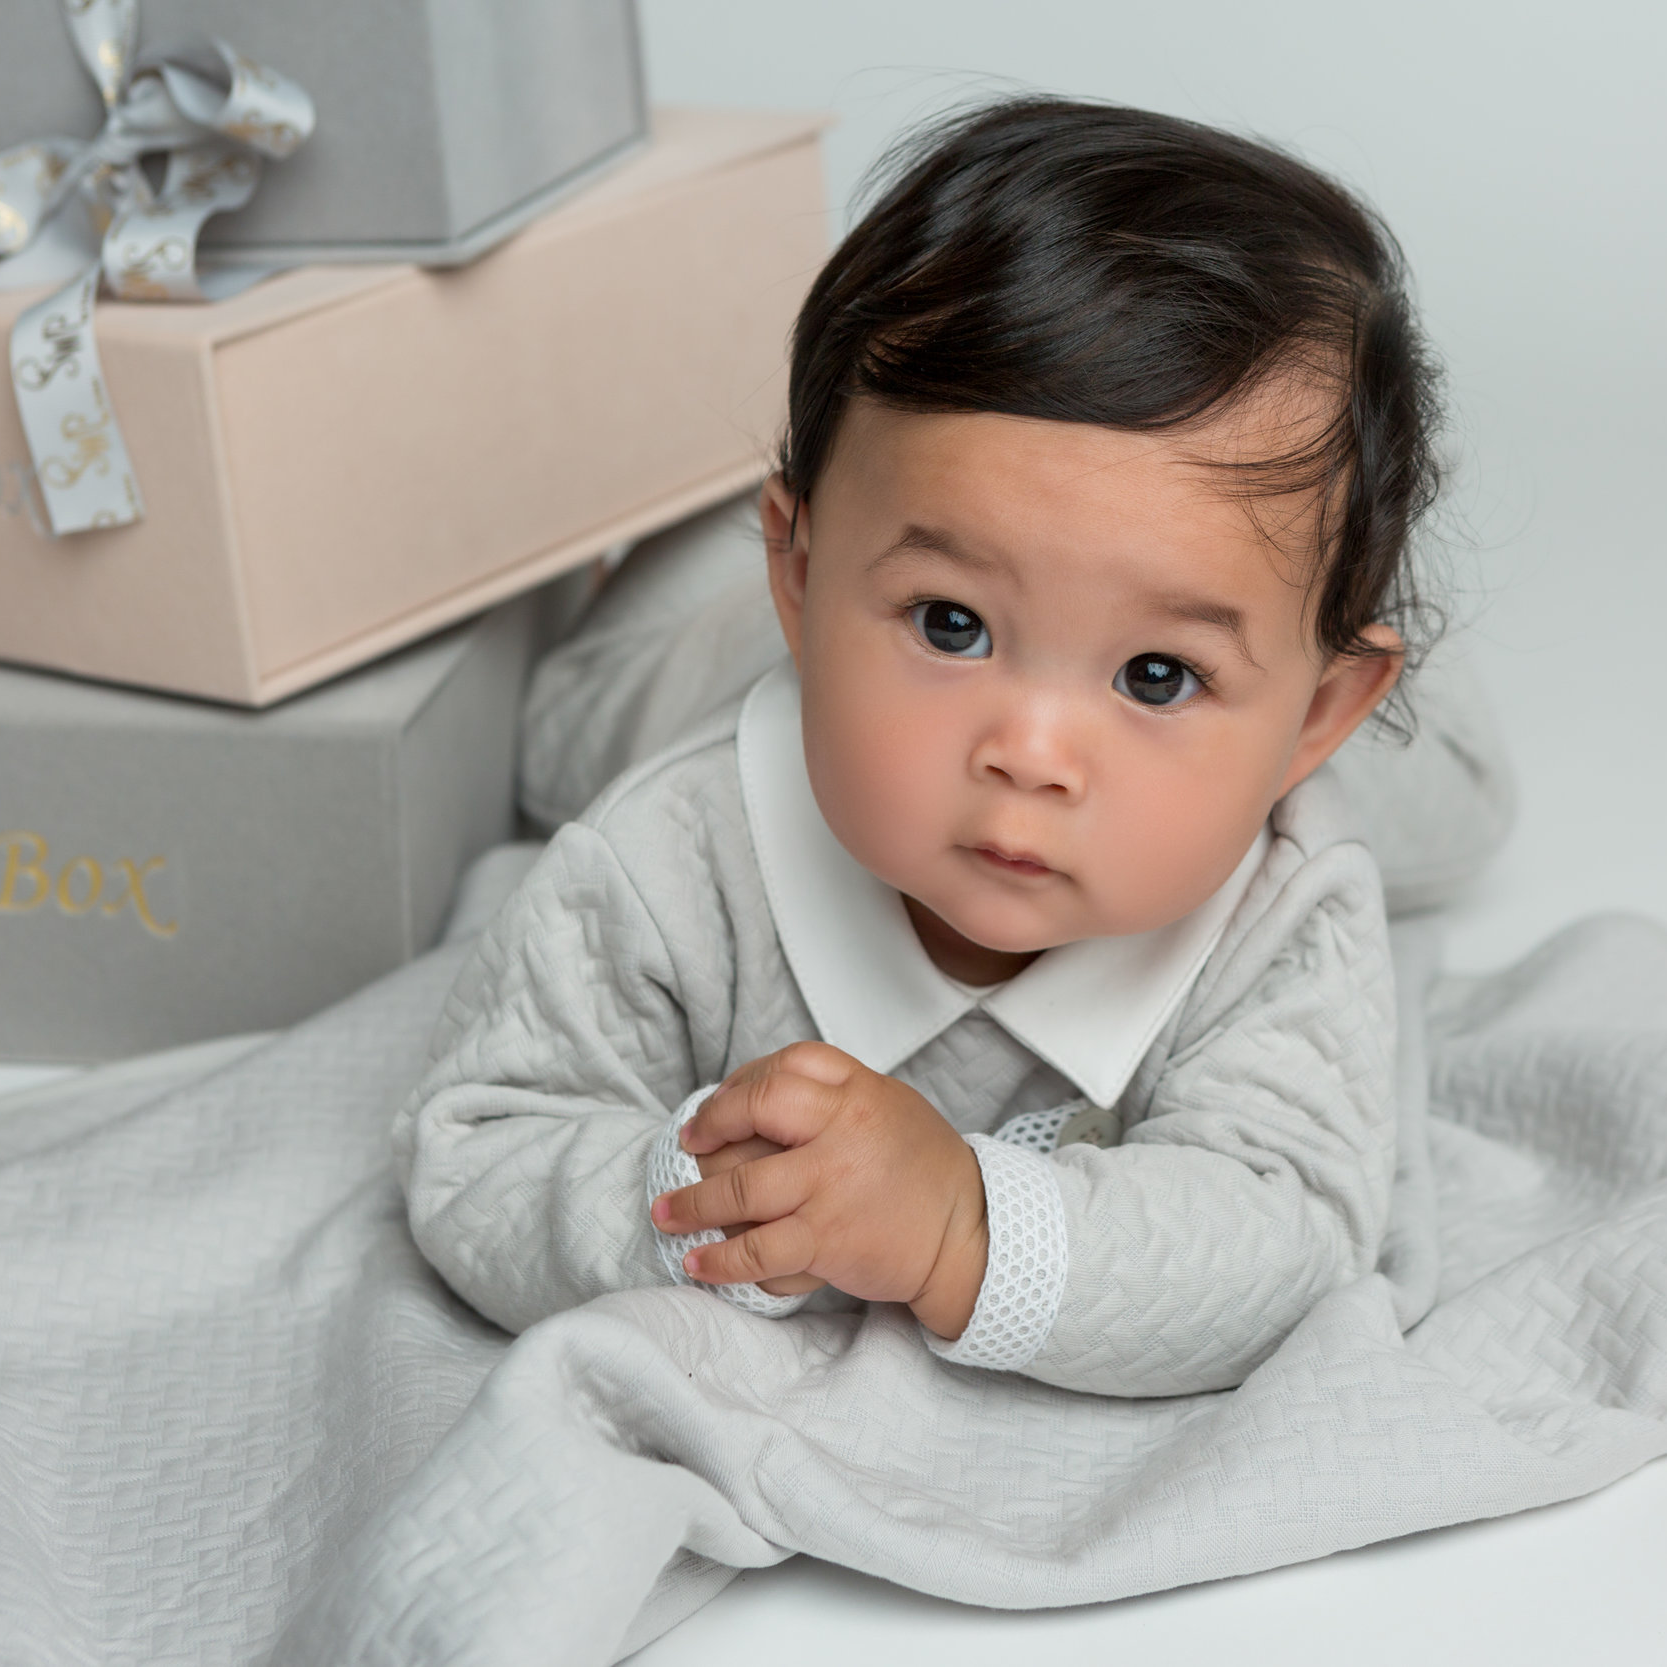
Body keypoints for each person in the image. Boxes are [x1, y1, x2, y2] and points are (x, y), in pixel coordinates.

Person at [396, 96, 1509, 1395]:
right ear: (800, 582)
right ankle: (748, 546)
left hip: (1274, 689)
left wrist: (959, 1229)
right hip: (678, 649)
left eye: (1158, 673)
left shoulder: (1292, 905)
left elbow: (1285, 1229)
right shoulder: (668, 850)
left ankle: (1188, 629)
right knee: (561, 726)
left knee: (1458, 802)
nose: (1032, 753)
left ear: (1316, 719)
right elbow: (478, 1147)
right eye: (952, 624)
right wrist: (721, 1199)